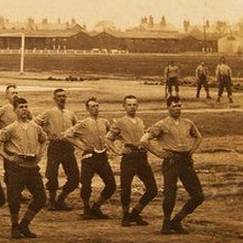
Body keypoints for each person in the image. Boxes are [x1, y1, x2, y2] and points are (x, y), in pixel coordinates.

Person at [140, 96, 204, 235]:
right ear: (168, 107)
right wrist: (158, 153)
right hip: (171, 162)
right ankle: (166, 223)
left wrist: (191, 151)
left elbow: (199, 137)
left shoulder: (188, 123)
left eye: (179, 106)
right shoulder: (161, 124)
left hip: (186, 161)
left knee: (198, 195)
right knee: (170, 194)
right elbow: (144, 140)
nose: (177, 109)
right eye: (174, 106)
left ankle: (177, 221)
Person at [0, 98, 47, 239]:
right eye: (21, 107)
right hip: (17, 167)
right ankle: (15, 227)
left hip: (32, 167)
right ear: (15, 110)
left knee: (41, 198)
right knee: (14, 199)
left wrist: (40, 154)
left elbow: (44, 139)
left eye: (26, 106)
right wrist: (8, 157)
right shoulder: (10, 128)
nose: (24, 109)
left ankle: (25, 224)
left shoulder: (35, 127)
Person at [105, 96, 157, 227]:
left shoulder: (140, 121)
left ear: (137, 106)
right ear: (124, 106)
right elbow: (108, 139)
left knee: (152, 189)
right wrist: (118, 151)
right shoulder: (120, 122)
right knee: (126, 188)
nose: (132, 107)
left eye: (134, 104)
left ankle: (135, 213)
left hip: (142, 157)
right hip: (129, 158)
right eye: (129, 105)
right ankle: (125, 215)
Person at [64, 97, 115, 220]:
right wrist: (82, 146)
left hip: (102, 157)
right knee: (86, 185)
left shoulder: (104, 122)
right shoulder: (83, 123)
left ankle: (96, 207)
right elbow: (67, 135)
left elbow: (111, 135)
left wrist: (110, 145)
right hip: (89, 158)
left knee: (111, 185)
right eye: (92, 106)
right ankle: (86, 208)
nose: (95, 108)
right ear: (87, 109)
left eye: (97, 106)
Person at [33, 88, 79, 211]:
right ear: (54, 98)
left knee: (75, 178)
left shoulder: (71, 113)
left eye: (64, 96)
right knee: (52, 176)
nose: (62, 99)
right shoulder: (48, 113)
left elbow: (78, 129)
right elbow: (35, 124)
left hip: (68, 147)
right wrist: (45, 135)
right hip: (55, 147)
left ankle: (61, 199)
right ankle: (52, 201)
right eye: (59, 96)